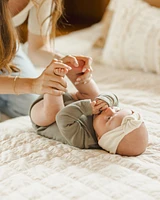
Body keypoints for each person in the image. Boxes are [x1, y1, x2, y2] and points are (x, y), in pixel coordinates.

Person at [29, 60, 148, 156]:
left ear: (100, 138)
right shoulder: (112, 119)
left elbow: (62, 117)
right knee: (96, 96)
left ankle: (53, 81)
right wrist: (105, 100)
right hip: (71, 101)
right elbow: (114, 98)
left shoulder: (83, 139)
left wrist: (87, 108)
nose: (109, 110)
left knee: (54, 113)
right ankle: (77, 73)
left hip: (44, 117)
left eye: (108, 118)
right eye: (117, 110)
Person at [0, 0, 92, 118]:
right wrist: (32, 85)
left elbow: (37, 48)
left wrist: (64, 61)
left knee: (31, 104)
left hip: (5, 45)